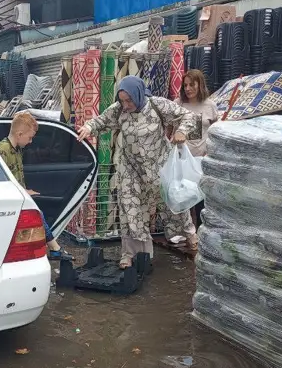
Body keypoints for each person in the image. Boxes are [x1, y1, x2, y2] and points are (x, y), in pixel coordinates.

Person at [77, 76, 198, 268]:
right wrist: (88, 127)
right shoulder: (119, 109)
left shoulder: (157, 105)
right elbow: (101, 121)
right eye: (122, 101)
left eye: (129, 100)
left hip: (160, 166)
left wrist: (182, 131)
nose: (126, 105)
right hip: (131, 169)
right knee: (130, 209)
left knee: (173, 203)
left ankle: (191, 236)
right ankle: (132, 254)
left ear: (139, 94)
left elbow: (188, 116)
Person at [0, 112, 72, 261]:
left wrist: (25, 190)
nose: (31, 142)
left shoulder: (16, 149)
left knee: (37, 213)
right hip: (11, 200)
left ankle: (53, 249)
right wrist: (22, 192)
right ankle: (55, 248)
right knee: (37, 214)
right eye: (30, 137)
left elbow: (15, 176)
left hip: (19, 197)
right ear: (19, 134)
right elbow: (1, 181)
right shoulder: (3, 150)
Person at [173, 69, 218, 230]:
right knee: (182, 198)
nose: (188, 88)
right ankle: (183, 233)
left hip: (201, 161)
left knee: (200, 198)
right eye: (185, 85)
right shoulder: (178, 104)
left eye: (192, 85)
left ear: (200, 84)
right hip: (181, 160)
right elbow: (168, 127)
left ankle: (200, 232)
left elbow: (215, 131)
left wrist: (210, 151)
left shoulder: (210, 106)